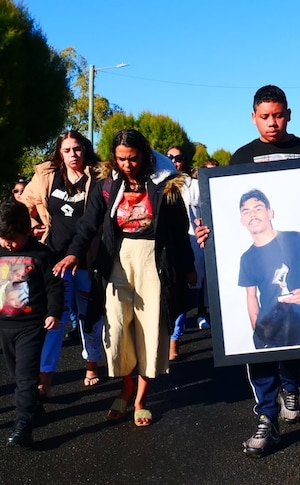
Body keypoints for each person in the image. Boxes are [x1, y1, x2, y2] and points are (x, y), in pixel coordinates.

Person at [195, 85, 300, 457]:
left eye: (279, 115)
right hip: (264, 290)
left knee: (292, 345)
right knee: (261, 350)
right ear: (253, 116)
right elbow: (222, 209)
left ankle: (290, 389)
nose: (272, 123)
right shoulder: (241, 157)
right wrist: (210, 234)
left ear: (289, 113)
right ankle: (266, 416)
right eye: (264, 116)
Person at [55, 129, 195, 427]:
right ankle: (126, 385)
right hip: (117, 259)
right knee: (116, 329)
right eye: (121, 159)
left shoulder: (163, 186)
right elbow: (88, 224)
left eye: (132, 158)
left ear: (143, 155)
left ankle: (140, 398)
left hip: (153, 259)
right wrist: (73, 254)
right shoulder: (106, 186)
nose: (127, 164)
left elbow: (180, 230)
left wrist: (188, 266)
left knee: (149, 328)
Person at [21, 130, 103, 395]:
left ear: (85, 149)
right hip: (54, 258)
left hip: (87, 259)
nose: (73, 155)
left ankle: (92, 363)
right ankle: (45, 380)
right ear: (59, 152)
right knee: (55, 318)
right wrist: (32, 225)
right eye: (67, 150)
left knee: (89, 316)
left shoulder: (98, 176)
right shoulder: (47, 175)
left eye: (77, 149)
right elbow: (25, 204)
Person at [0, 200, 63, 447]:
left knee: (25, 376)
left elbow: (54, 286)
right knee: (15, 372)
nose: (8, 244)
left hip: (32, 325)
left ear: (28, 232)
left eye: (13, 238)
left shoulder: (42, 255)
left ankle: (23, 425)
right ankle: (34, 407)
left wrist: (54, 312)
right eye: (3, 238)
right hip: (5, 322)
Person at [238, 189, 300, 349]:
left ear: (270, 213)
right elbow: (251, 296)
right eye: (246, 211)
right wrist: (257, 330)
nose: (252, 215)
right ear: (242, 221)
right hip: (271, 337)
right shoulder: (247, 258)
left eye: (257, 208)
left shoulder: (294, 239)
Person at [165, 145, 203, 361]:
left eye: (178, 158)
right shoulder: (158, 185)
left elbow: (207, 213)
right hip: (165, 249)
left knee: (183, 295)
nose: (174, 161)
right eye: (169, 157)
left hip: (191, 248)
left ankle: (174, 341)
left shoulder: (195, 186)